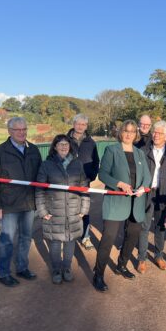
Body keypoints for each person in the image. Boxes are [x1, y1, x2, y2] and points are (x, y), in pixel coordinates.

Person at [93, 120, 151, 292]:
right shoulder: (112, 150)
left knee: (132, 236)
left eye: (132, 132)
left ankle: (122, 265)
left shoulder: (140, 153)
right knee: (108, 238)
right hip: (116, 201)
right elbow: (102, 174)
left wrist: (142, 188)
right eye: (126, 131)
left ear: (136, 134)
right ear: (120, 132)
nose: (129, 134)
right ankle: (98, 274)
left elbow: (147, 176)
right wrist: (118, 183)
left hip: (136, 202)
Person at [0, 117, 42, 287]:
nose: (22, 132)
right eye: (17, 130)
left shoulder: (33, 150)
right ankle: (4, 273)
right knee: (7, 240)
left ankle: (22, 267)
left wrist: (40, 201)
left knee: (26, 237)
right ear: (9, 131)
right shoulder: (0, 152)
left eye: (24, 129)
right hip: (9, 204)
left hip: (28, 203)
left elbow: (40, 176)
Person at [35, 134, 90, 284]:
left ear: (70, 146)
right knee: (55, 242)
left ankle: (67, 268)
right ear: (55, 147)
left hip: (73, 210)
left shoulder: (77, 164)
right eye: (60, 144)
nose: (64, 147)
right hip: (54, 210)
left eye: (66, 144)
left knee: (70, 241)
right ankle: (56, 269)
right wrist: (42, 211)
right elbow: (39, 189)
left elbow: (85, 188)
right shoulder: (47, 165)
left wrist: (84, 209)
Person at [137, 120, 166, 273]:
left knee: (160, 226)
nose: (156, 135)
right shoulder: (143, 150)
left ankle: (158, 256)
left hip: (162, 194)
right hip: (146, 193)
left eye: (160, 133)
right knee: (144, 226)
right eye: (154, 132)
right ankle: (141, 258)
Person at [67, 114, 99, 250]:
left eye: (83, 124)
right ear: (73, 124)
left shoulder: (91, 143)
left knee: (84, 210)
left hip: (84, 182)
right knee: (67, 209)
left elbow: (96, 161)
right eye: (78, 123)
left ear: (86, 126)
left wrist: (91, 176)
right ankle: (68, 236)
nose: (80, 126)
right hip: (67, 182)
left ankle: (85, 237)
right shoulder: (64, 140)